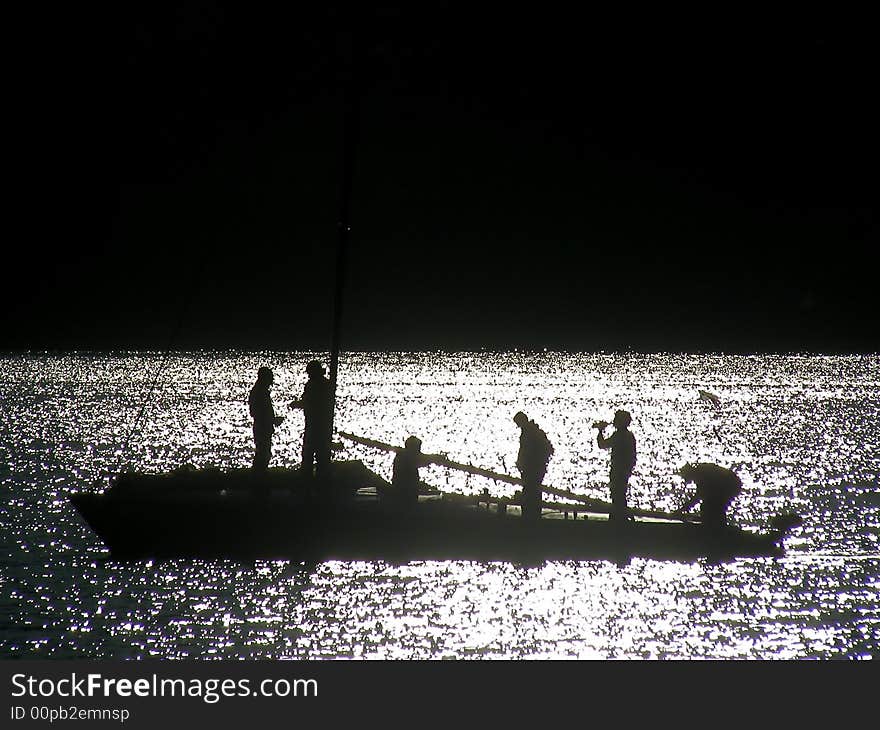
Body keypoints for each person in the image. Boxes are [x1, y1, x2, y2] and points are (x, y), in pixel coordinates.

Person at [289, 360, 332, 479]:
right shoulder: (326, 384)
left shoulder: (313, 385)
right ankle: (319, 480)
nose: (308, 375)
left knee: (309, 454)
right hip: (322, 425)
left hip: (315, 426)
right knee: (321, 456)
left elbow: (310, 402)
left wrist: (297, 404)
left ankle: (307, 480)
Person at [595, 409, 636, 522]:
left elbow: (602, 445)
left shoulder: (619, 435)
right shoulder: (629, 435)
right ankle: (621, 518)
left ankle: (618, 521)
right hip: (624, 470)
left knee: (617, 495)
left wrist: (600, 431)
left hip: (618, 470)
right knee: (621, 495)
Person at [513, 412, 554, 522]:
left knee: (530, 491)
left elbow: (525, 450)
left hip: (532, 468)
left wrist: (522, 462)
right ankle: (534, 514)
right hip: (537, 467)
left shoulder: (529, 433)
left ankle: (529, 516)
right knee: (534, 491)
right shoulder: (535, 431)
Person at [676, 462, 742, 528]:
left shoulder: (700, 474)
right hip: (728, 484)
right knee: (711, 506)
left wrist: (681, 510)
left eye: (685, 477)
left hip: (730, 485)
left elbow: (697, 497)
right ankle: (716, 525)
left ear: (688, 473)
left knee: (710, 505)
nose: (685, 479)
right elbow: (700, 495)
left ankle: (717, 528)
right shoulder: (699, 472)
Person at [248, 366, 284, 472]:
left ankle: (259, 475)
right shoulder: (259, 392)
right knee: (263, 454)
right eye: (270, 378)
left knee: (263, 453)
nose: (272, 381)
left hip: (263, 427)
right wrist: (273, 420)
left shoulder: (259, 391)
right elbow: (258, 412)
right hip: (262, 428)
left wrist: (272, 420)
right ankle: (258, 477)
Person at [391, 436, 425, 508]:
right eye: (418, 448)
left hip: (406, 492)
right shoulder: (405, 458)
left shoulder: (403, 456)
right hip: (405, 493)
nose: (419, 451)